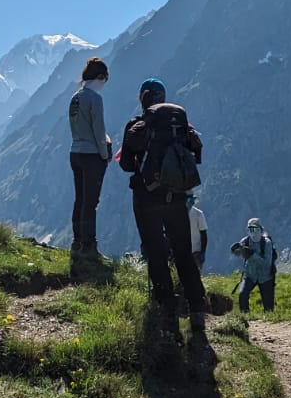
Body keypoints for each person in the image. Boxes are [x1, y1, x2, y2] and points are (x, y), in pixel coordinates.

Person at [118, 78, 207, 325]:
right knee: (183, 253)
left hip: (147, 198)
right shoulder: (182, 128)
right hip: (178, 198)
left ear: (144, 98)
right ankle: (197, 308)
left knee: (156, 253)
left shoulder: (137, 126)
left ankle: (167, 310)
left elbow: (126, 165)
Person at [67, 56, 112, 264]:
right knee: (90, 202)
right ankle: (89, 245)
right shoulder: (95, 98)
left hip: (75, 151)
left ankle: (77, 242)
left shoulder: (75, 97)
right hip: (91, 155)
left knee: (79, 198)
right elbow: (99, 129)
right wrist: (105, 154)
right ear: (101, 77)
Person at [231, 217, 278, 313]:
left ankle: (269, 322)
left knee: (268, 308)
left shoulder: (267, 243)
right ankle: (245, 318)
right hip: (250, 275)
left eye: (255, 229)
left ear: (260, 229)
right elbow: (238, 253)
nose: (253, 232)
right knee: (242, 295)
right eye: (250, 229)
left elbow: (267, 263)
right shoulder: (245, 241)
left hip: (266, 277)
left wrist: (252, 255)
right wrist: (235, 250)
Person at [187, 192, 209, 274]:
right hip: (182, 251)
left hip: (196, 252)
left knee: (195, 276)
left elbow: (204, 235)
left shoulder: (198, 214)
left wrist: (203, 251)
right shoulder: (177, 214)